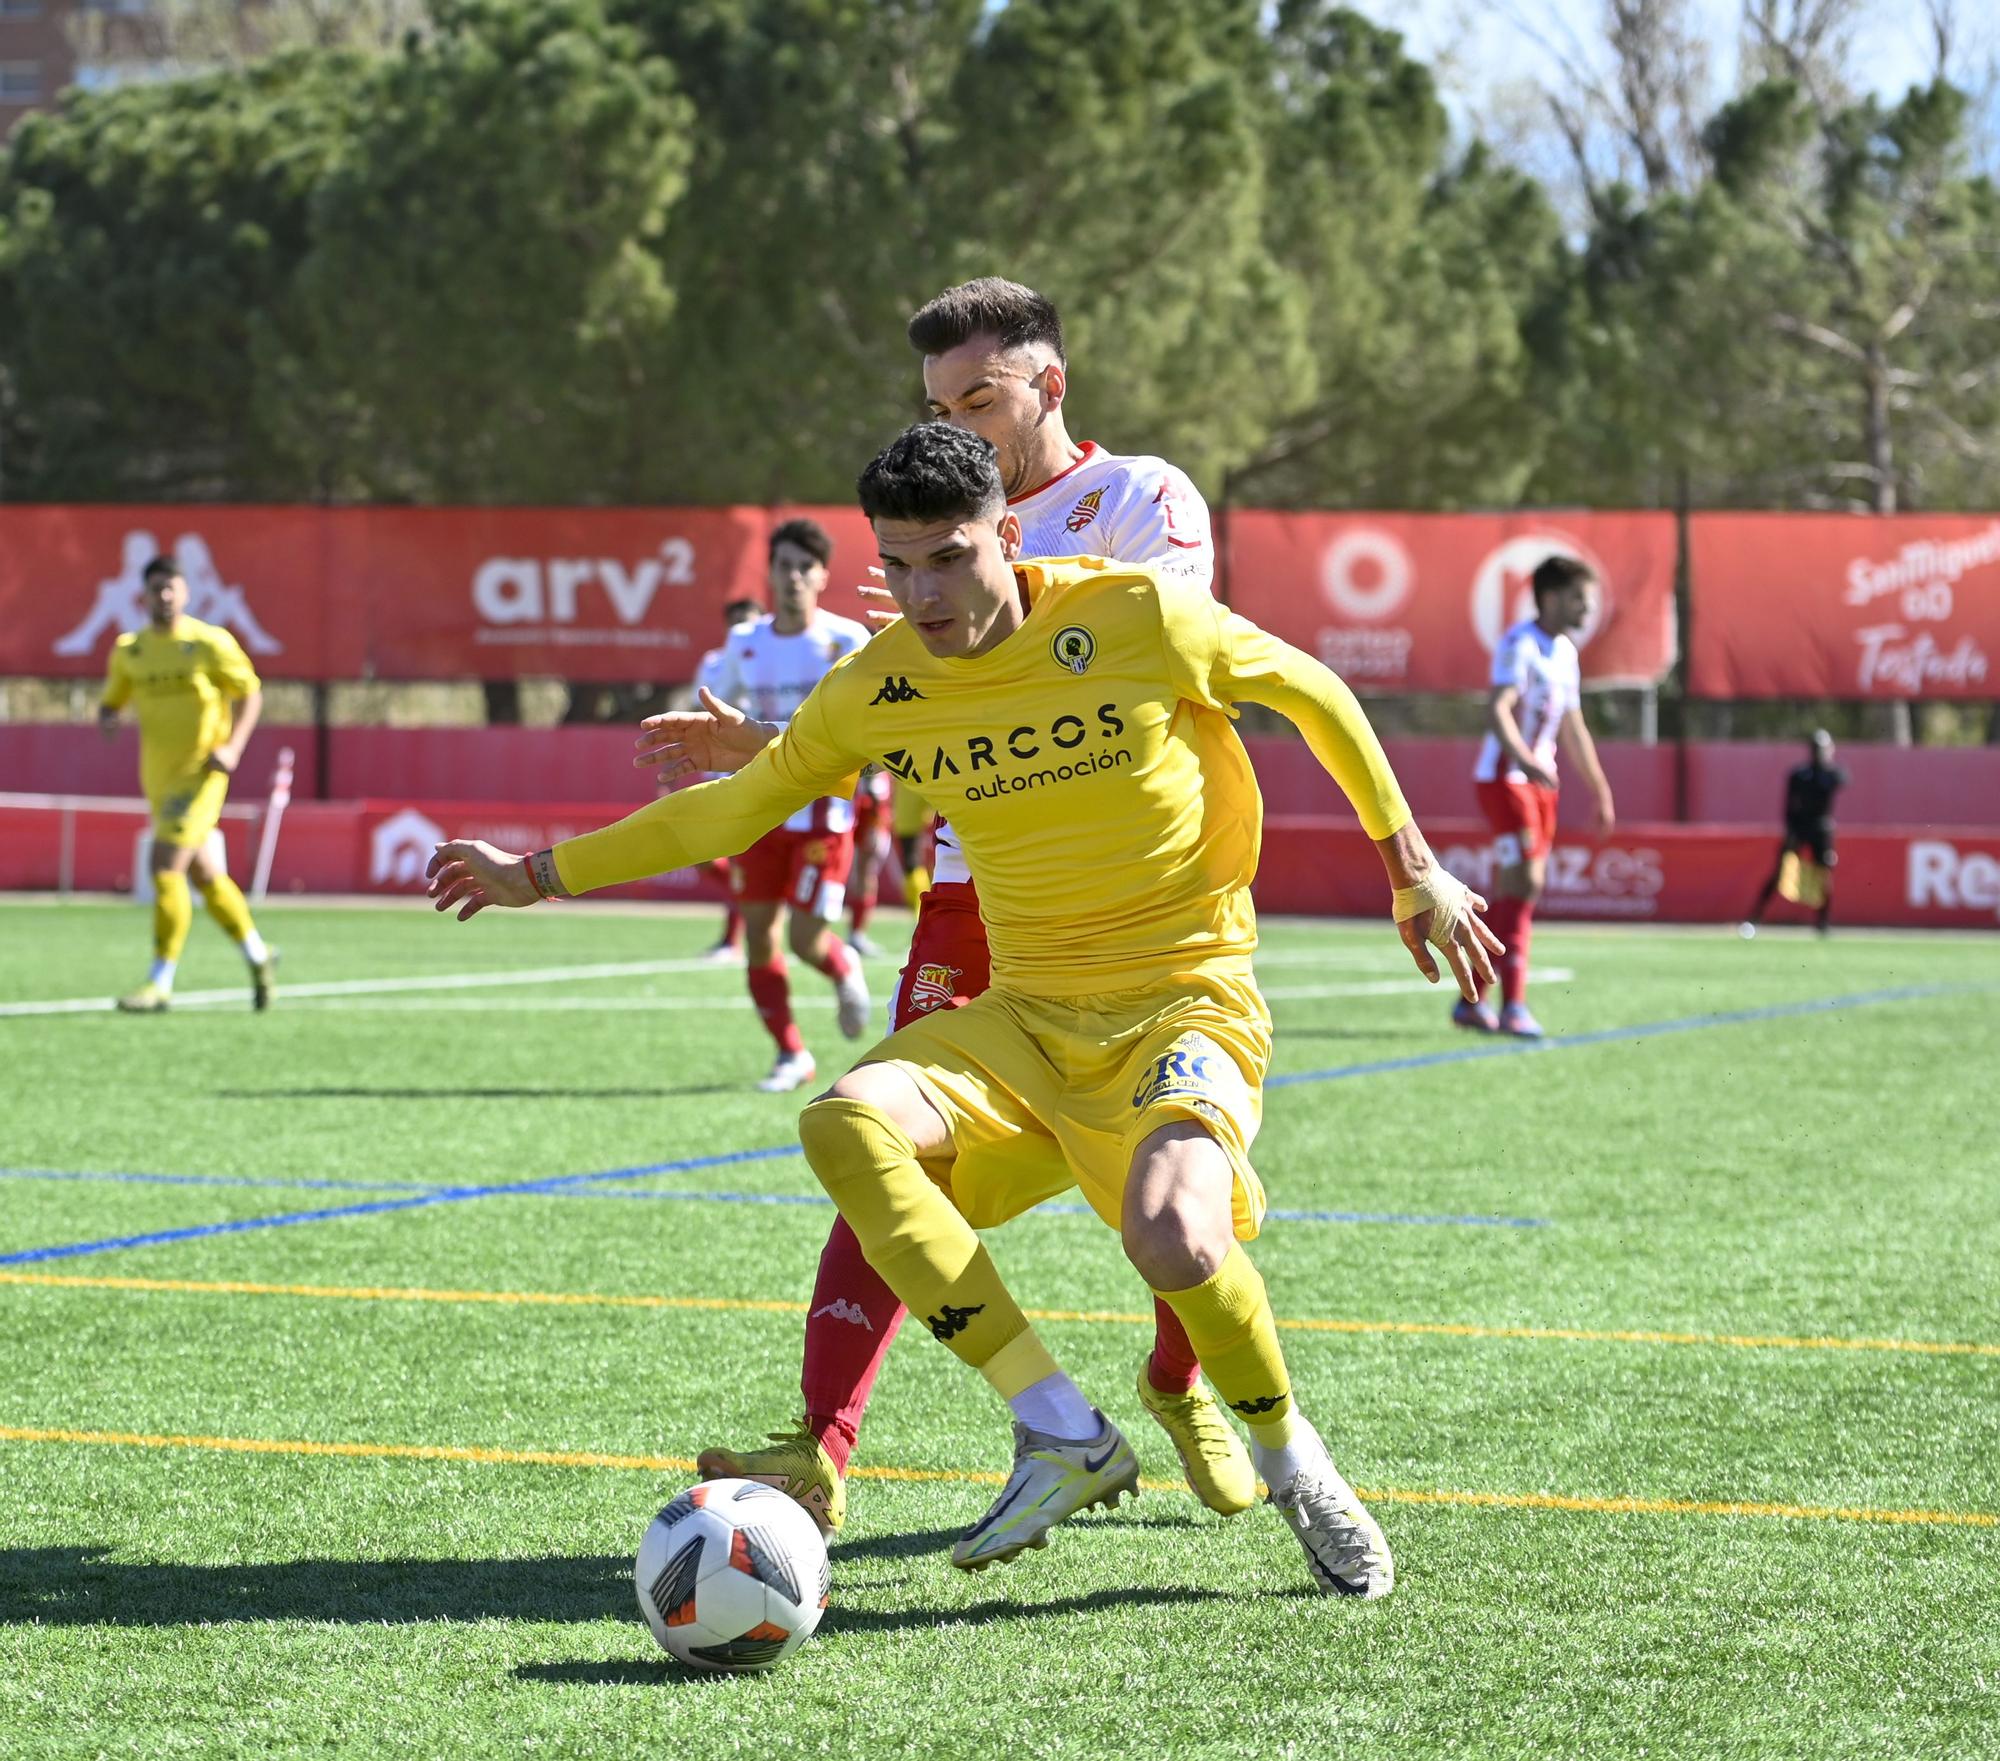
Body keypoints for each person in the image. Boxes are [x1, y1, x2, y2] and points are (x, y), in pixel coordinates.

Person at [427, 421, 1500, 1599]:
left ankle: (1294, 1464)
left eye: (948, 556)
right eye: (898, 564)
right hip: (1025, 1013)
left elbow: (1314, 692)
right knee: (844, 1122)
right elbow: (731, 811)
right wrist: (539, 874)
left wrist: (1412, 865)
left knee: (1175, 1238)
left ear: (1004, 531)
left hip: (1181, 998)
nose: (924, 592)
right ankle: (1059, 1431)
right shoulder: (879, 680)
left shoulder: (1136, 616)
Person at [648, 278, 1254, 1535]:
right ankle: (818, 1452)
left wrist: (972, 607)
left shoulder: (1142, 500)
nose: (962, 428)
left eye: (980, 397)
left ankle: (1179, 1380)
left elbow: (1126, 681)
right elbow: (923, 722)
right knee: (873, 1150)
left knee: (1158, 1173)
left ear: (1050, 383)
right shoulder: (939, 528)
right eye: (937, 405)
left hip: (1130, 898)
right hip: (975, 892)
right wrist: (774, 740)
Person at [708, 521, 873, 1092]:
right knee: (758, 935)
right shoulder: (744, 642)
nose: (794, 576)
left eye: (805, 566)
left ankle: (842, 965)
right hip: (761, 811)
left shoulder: (849, 641)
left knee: (805, 940)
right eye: (784, 566)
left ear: (823, 575)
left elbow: (870, 721)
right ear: (771, 575)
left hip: (824, 815)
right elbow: (717, 707)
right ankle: (791, 1054)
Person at [98, 555, 277, 1013]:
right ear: (144, 595)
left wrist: (233, 747)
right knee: (206, 876)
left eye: (170, 588)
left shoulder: (208, 643)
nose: (163, 596)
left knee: (164, 867)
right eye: (155, 588)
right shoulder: (130, 650)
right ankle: (258, 956)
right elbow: (114, 698)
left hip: (201, 775)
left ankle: (160, 981)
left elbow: (250, 692)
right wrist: (108, 715)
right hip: (158, 779)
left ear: (185, 593)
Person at [1457, 554, 1615, 1040]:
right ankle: (1514, 1006)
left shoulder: (1565, 652)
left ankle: (1476, 1002)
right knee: (1525, 882)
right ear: (1550, 598)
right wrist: (1523, 758)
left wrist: (1600, 788)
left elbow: (1573, 727)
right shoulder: (1519, 644)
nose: (1587, 609)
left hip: (1539, 784)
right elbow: (1498, 708)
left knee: (1522, 887)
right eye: (1577, 599)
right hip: (1505, 779)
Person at [691, 596, 764, 964]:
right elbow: (696, 710)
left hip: (751, 768)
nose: (742, 631)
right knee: (702, 854)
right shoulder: (715, 663)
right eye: (736, 624)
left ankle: (732, 939)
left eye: (748, 623)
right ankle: (757, 901)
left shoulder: (770, 658)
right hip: (714, 766)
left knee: (740, 856)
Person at [1740, 730, 1846, 937]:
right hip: (1799, 828)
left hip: (1821, 829)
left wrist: (1828, 760)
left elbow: (1842, 779)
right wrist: (1790, 831)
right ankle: (1754, 918)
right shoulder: (1799, 775)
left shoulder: (1831, 774)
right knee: (1780, 872)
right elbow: (1789, 806)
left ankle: (1822, 923)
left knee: (1823, 874)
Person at [844, 768, 892, 958]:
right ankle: (856, 933)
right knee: (864, 872)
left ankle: (857, 933)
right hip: (857, 805)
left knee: (866, 871)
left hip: (868, 808)